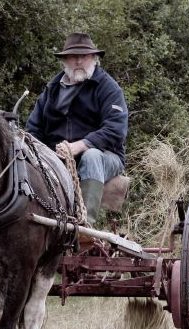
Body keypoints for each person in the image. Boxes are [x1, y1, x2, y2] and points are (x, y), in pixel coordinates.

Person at [26, 32, 128, 225]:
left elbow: (116, 130)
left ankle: (84, 225)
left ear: (94, 58)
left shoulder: (108, 88)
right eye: (74, 56)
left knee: (92, 157)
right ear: (65, 60)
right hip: (56, 157)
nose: (79, 61)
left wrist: (80, 145)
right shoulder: (52, 89)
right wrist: (43, 153)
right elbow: (33, 129)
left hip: (106, 156)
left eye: (84, 56)